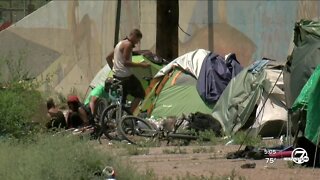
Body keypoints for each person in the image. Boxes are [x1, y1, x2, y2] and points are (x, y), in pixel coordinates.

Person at [106, 29, 150, 113]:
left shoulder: (120, 43)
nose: (137, 43)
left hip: (117, 76)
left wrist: (114, 70)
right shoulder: (128, 45)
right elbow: (126, 62)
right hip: (126, 77)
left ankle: (119, 117)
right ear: (133, 36)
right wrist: (141, 65)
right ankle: (129, 114)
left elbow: (108, 58)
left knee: (122, 100)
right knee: (140, 94)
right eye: (137, 40)